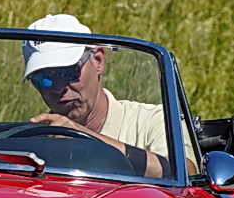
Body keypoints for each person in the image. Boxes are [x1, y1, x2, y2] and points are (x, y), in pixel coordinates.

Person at [22, 13, 168, 178]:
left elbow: (182, 175)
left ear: (98, 61)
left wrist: (85, 137)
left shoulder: (153, 121)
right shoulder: (32, 144)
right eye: (43, 79)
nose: (58, 88)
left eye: (68, 72)